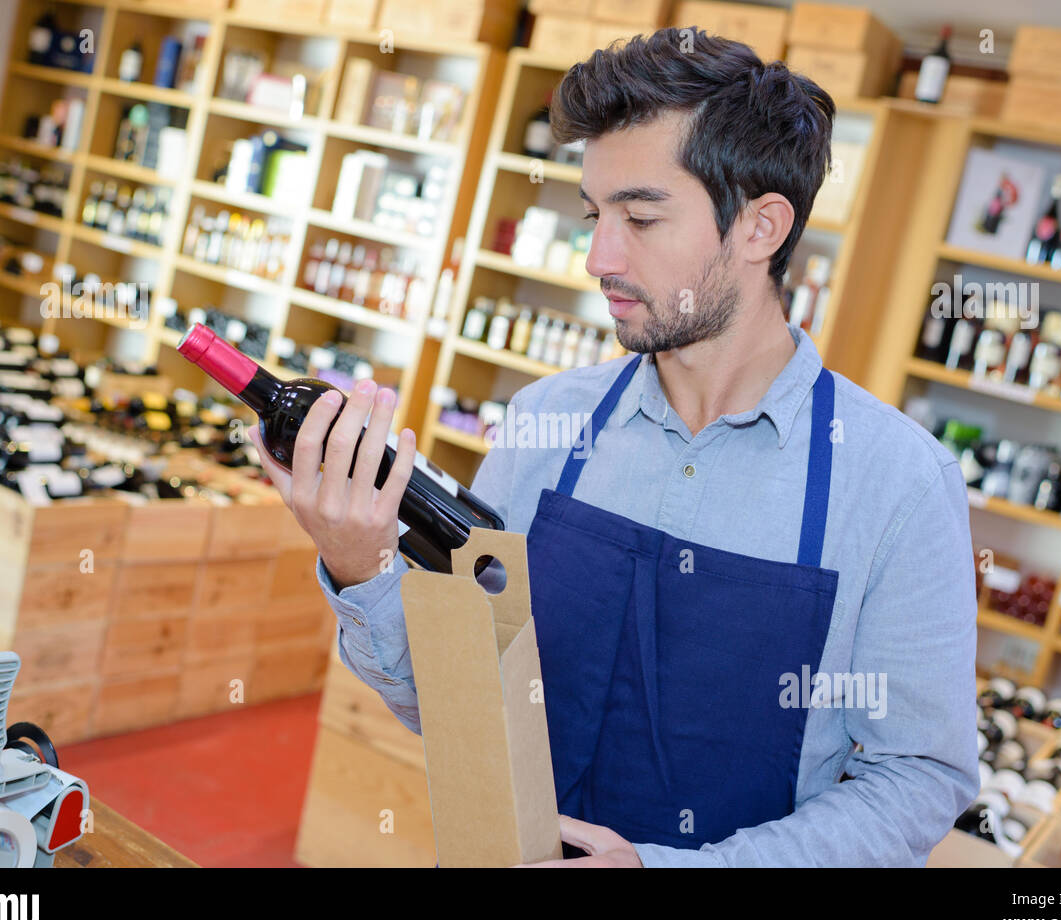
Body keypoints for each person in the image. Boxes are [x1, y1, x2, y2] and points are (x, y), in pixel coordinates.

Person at [251, 27, 979, 867]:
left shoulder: (898, 484)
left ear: (760, 226)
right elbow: (457, 704)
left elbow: (915, 779)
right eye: (596, 215)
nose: (599, 256)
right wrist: (361, 567)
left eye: (641, 216)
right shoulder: (542, 423)